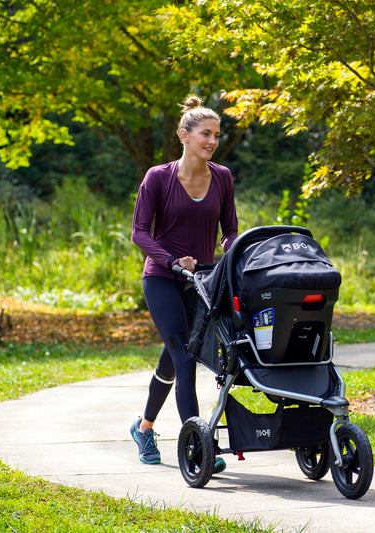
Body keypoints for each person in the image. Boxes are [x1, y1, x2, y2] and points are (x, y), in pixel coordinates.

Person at [129, 96, 238, 467]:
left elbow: (229, 231)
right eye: (205, 133)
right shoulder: (158, 177)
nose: (212, 141)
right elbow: (139, 232)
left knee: (172, 360)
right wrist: (171, 260)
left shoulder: (222, 177)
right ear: (184, 135)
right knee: (186, 357)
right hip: (162, 278)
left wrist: (238, 250)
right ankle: (199, 445)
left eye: (217, 135)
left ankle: (143, 428)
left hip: (202, 283)